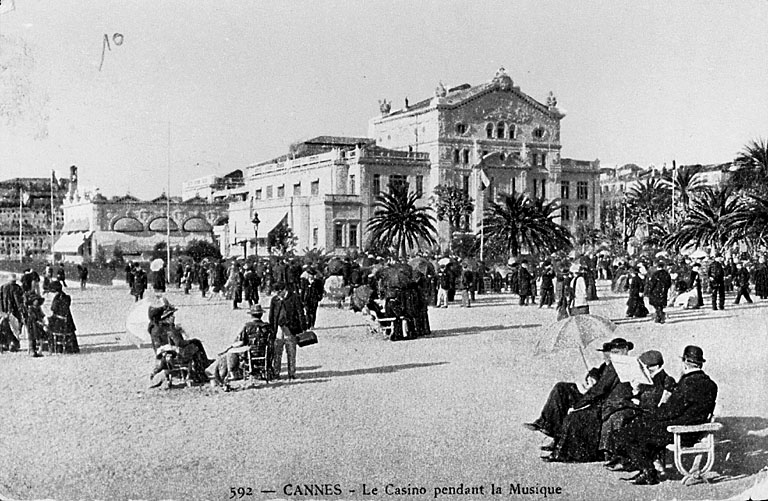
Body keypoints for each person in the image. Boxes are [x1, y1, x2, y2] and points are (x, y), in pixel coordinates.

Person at [609, 345, 718, 485]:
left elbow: (670, 411)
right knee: (638, 428)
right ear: (700, 363)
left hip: (680, 431)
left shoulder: (687, 383)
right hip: (694, 430)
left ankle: (648, 471)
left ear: (685, 362)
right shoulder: (711, 384)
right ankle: (647, 470)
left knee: (629, 432)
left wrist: (649, 414)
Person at [545, 338, 635, 462]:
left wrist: (579, 404)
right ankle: (551, 430)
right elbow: (598, 373)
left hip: (606, 402)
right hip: (597, 397)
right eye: (609, 352)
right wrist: (592, 375)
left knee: (574, 417)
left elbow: (600, 389)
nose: (609, 355)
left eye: (616, 352)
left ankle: (562, 451)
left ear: (625, 351)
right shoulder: (610, 364)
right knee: (561, 388)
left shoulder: (622, 366)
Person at [603, 350, 676, 468]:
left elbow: (663, 403)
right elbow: (639, 397)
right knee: (618, 416)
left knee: (625, 421)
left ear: (655, 367)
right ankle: (621, 456)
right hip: (641, 410)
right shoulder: (647, 378)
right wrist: (635, 391)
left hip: (652, 414)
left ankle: (629, 460)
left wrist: (640, 401)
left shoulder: (667, 380)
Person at [206, 305, 274, 388]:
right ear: (261, 315)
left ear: (251, 315)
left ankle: (220, 375)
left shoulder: (247, 326)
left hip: (251, 354)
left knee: (229, 353)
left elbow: (241, 342)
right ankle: (220, 373)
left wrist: (230, 346)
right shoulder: (268, 327)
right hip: (265, 354)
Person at [269, 283, 306, 380]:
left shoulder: (294, 297)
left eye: (279, 291)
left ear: (284, 290)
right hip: (278, 330)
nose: (277, 294)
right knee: (277, 352)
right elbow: (272, 316)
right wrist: (272, 329)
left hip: (291, 329)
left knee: (291, 352)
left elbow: (300, 312)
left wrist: (302, 328)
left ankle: (291, 373)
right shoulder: (275, 300)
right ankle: (276, 373)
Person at [48, 280, 79, 353]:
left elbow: (53, 308)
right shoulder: (66, 297)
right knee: (70, 332)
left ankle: (54, 347)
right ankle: (71, 347)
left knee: (48, 326)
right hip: (68, 320)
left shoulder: (57, 298)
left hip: (58, 322)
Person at [24, 291, 47, 357]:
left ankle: (40, 350)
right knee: (34, 335)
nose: (36, 302)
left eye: (37, 300)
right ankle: (33, 350)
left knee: (42, 333)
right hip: (32, 325)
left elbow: (42, 315)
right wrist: (41, 323)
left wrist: (43, 321)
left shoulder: (39, 308)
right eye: (35, 300)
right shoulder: (30, 309)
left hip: (38, 325)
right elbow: (34, 318)